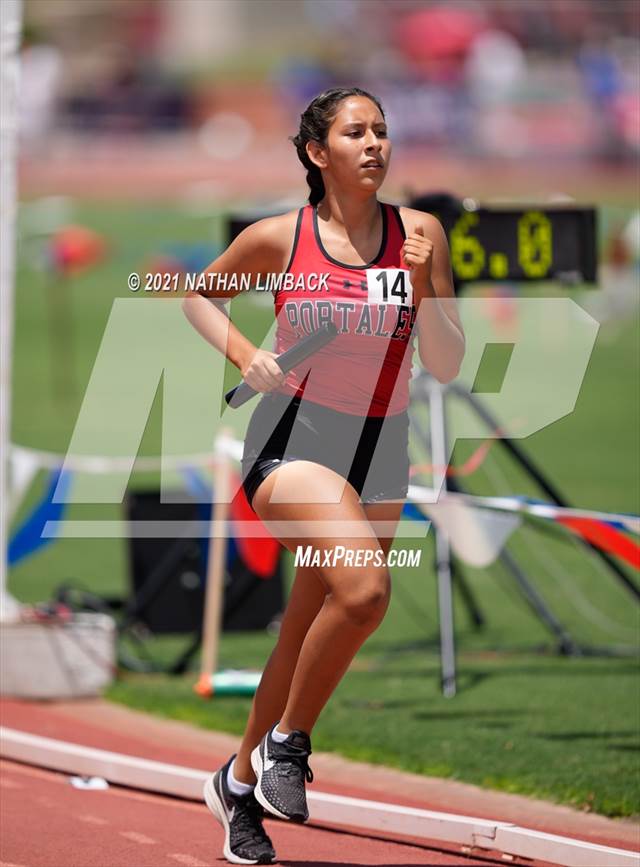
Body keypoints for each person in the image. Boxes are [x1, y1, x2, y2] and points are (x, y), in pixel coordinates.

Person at [182, 86, 465, 865]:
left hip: (383, 445)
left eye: (382, 130)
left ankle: (237, 784)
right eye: (355, 132)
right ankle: (288, 744)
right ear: (318, 153)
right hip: (294, 439)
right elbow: (198, 295)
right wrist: (249, 356)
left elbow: (444, 361)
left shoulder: (422, 234)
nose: (374, 143)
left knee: (313, 619)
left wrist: (425, 284)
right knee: (368, 590)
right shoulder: (281, 236)